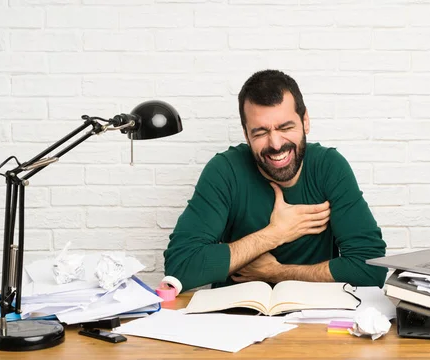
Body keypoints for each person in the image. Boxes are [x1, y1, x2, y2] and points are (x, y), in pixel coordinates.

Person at [163, 69, 387, 291]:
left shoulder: (329, 167)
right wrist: (274, 234)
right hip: (234, 317)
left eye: (285, 127)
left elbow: (370, 269)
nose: (276, 144)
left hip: (314, 318)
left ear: (305, 121)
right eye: (260, 132)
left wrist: (276, 273)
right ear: (246, 134)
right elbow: (180, 267)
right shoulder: (224, 170)